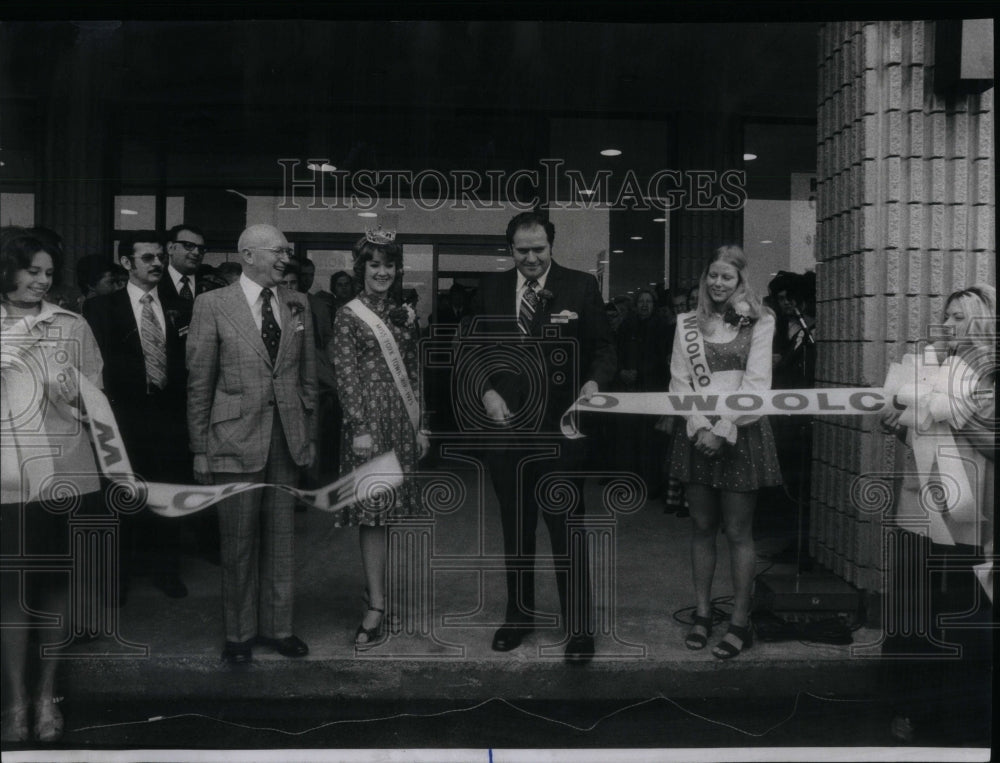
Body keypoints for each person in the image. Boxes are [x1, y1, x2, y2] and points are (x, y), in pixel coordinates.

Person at [471, 210, 617, 664]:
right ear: (509, 249)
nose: (531, 258)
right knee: (516, 528)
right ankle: (518, 616)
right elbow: (469, 353)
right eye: (522, 250)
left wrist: (594, 383)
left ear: (552, 246)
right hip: (506, 432)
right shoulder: (490, 290)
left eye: (539, 249)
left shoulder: (580, 286)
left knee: (566, 528)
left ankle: (578, 626)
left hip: (562, 431)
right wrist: (487, 391)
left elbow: (605, 348)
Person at [186, 223, 317, 665]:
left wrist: (309, 434)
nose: (286, 258)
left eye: (287, 251)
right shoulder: (212, 305)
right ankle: (238, 634)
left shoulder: (298, 303)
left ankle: (279, 629)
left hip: (286, 438)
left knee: (281, 540)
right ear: (248, 254)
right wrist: (199, 447)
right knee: (238, 541)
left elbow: (307, 378)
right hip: (232, 438)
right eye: (277, 251)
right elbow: (200, 382)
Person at [879, 284, 995, 744]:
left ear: (981, 323)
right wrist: (900, 426)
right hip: (922, 505)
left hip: (974, 515)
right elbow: (920, 439)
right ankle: (910, 707)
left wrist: (958, 416)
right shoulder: (929, 367)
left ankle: (960, 718)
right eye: (945, 316)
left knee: (963, 615)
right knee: (916, 609)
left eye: (957, 318)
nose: (946, 325)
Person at [1, 234, 104, 742]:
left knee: (56, 586)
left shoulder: (72, 325)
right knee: (12, 591)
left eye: (47, 273)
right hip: (7, 481)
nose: (41, 281)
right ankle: (15, 704)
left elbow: (97, 403)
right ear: (7, 270)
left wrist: (79, 399)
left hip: (64, 474)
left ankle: (46, 698)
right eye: (32, 271)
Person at [668, 245, 781, 659]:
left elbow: (757, 384)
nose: (718, 283)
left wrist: (723, 429)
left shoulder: (761, 320)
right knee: (701, 526)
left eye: (727, 277)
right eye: (713, 275)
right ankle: (701, 613)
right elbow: (680, 381)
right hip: (697, 432)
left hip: (740, 432)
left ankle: (739, 620)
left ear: (740, 281)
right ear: (705, 278)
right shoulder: (686, 323)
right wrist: (700, 428)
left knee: (737, 531)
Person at [330, 228, 429, 648]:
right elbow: (346, 374)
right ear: (361, 268)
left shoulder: (403, 313)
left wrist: (421, 423)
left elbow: (414, 369)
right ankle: (375, 605)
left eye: (389, 265)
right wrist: (360, 428)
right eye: (375, 265)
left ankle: (378, 595)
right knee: (372, 516)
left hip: (400, 423)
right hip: (367, 428)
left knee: (387, 515)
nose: (382, 272)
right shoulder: (348, 315)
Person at [82, 233, 190, 602]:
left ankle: (167, 571)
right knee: (122, 495)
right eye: (147, 257)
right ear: (127, 263)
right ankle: (117, 578)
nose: (157, 263)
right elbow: (94, 369)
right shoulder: (101, 308)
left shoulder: (182, 306)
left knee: (168, 492)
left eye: (160, 256)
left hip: (169, 415)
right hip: (123, 416)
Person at [614, 288, 673, 500]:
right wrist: (622, 371)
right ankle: (629, 482)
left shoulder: (662, 328)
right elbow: (616, 352)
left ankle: (651, 484)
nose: (644, 305)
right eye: (641, 301)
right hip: (628, 389)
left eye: (649, 301)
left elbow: (663, 360)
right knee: (627, 438)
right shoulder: (626, 326)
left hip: (651, 389)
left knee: (650, 440)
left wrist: (640, 373)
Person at [160, 224, 206, 303]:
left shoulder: (211, 285)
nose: (196, 252)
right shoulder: (154, 282)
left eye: (201, 248)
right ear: (170, 248)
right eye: (188, 245)